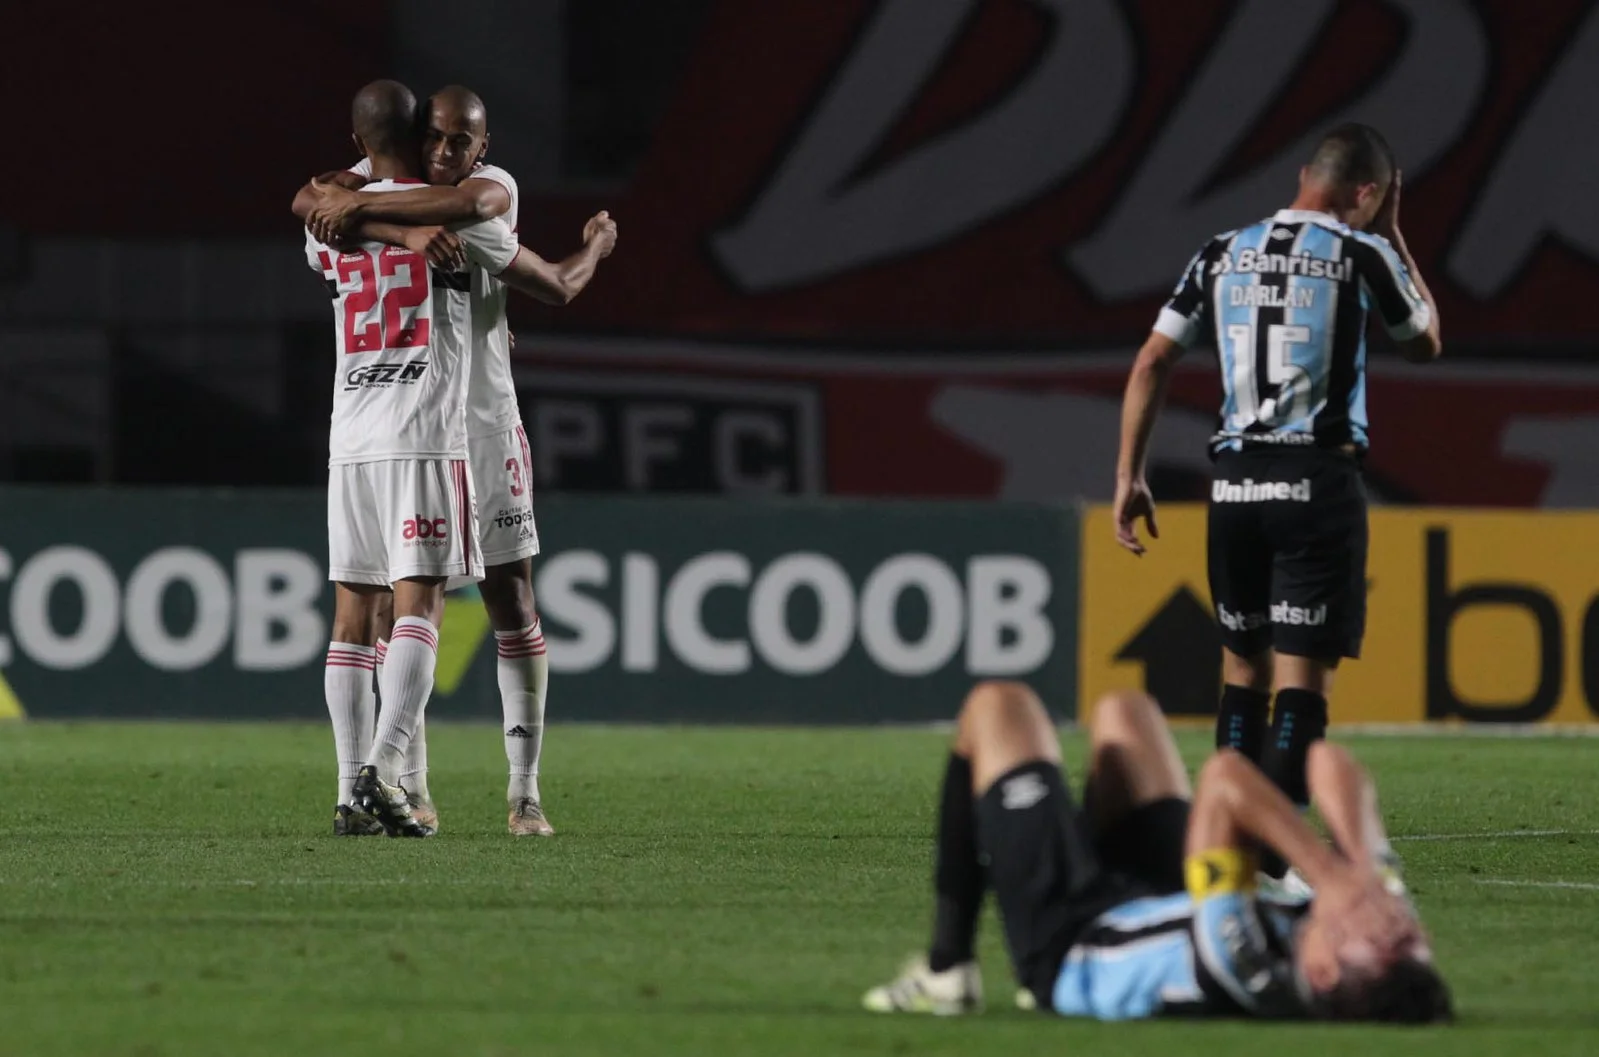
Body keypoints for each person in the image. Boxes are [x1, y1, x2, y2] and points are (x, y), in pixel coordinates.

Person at [295, 85, 618, 837]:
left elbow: (321, 205)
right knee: (402, 605)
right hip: (420, 425)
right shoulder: (380, 199)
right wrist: (388, 224)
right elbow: (317, 196)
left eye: (458, 142)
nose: (444, 153)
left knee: (508, 599)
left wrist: (357, 209)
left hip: (478, 425)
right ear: (413, 138)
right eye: (432, 139)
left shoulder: (484, 194)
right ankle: (401, 781)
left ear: (482, 146)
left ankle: (523, 791)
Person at [1111, 124, 1442, 823]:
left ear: (1302, 175)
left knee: (1240, 668)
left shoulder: (1219, 251)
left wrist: (1128, 476)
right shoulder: (1362, 250)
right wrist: (1395, 235)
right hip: (1313, 481)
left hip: (1232, 485)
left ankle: (1227, 829)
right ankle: (1276, 848)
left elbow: (1149, 361)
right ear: (1367, 192)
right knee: (1301, 680)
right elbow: (1425, 342)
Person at [863, 681, 1451, 1023]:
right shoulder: (1369, 952)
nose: (1389, 921)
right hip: (1166, 904)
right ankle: (1058, 839)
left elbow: (1226, 780)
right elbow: (1329, 762)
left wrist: (1330, 876)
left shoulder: (1243, 966)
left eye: (1375, 934)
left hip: (1075, 939)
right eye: (1405, 936)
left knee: (997, 706)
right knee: (1126, 712)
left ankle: (947, 970)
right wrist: (1370, 869)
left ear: (1320, 971)